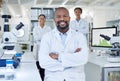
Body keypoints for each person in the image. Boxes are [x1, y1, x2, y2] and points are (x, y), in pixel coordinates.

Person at [38, 7, 89, 81]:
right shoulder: (47, 37)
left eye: (65, 16)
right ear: (54, 20)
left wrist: (58, 57)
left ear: (69, 18)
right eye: (58, 16)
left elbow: (83, 58)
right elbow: (43, 62)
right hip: (53, 78)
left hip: (75, 78)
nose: (62, 19)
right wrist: (72, 60)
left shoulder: (79, 36)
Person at [33, 14, 52, 81]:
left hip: (46, 50)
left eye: (43, 18)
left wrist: (41, 38)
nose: (41, 20)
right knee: (38, 66)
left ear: (45, 20)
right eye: (40, 18)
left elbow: (49, 38)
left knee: (45, 67)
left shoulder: (48, 28)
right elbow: (36, 38)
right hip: (38, 49)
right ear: (38, 20)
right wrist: (44, 38)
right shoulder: (35, 28)